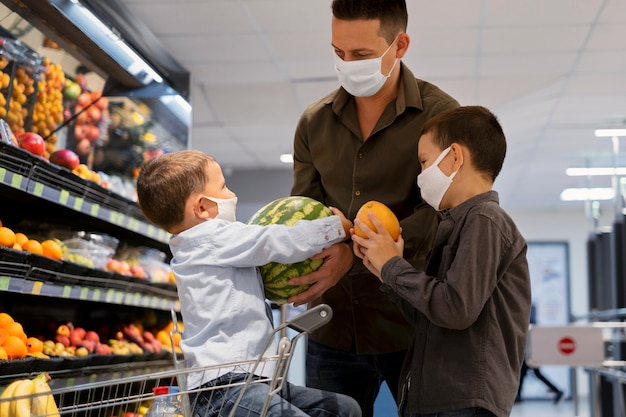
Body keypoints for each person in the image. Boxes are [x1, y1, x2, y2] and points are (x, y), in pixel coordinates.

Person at [288, 0, 459, 415]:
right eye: (338, 52)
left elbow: (445, 215)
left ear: (399, 45)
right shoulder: (314, 123)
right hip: (331, 324)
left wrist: (357, 249)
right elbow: (304, 212)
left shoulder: (443, 118)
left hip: (411, 322)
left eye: (361, 55)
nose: (347, 64)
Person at [135, 150, 361, 417]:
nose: (232, 194)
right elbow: (276, 240)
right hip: (225, 388)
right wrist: (336, 228)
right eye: (223, 187)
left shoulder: (196, 247)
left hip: (250, 382)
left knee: (344, 409)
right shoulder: (211, 238)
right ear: (202, 208)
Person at [351, 106, 532, 417]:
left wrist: (394, 267)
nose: (421, 175)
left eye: (424, 162)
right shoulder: (456, 224)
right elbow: (433, 316)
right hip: (440, 400)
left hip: (464, 402)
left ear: (455, 157)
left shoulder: (485, 219)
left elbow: (455, 308)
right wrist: (385, 270)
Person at [516, 304, 564, 404]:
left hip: (530, 353)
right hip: (530, 352)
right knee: (525, 373)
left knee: (532, 374)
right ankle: (518, 396)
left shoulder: (529, 319)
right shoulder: (530, 317)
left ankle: (557, 390)